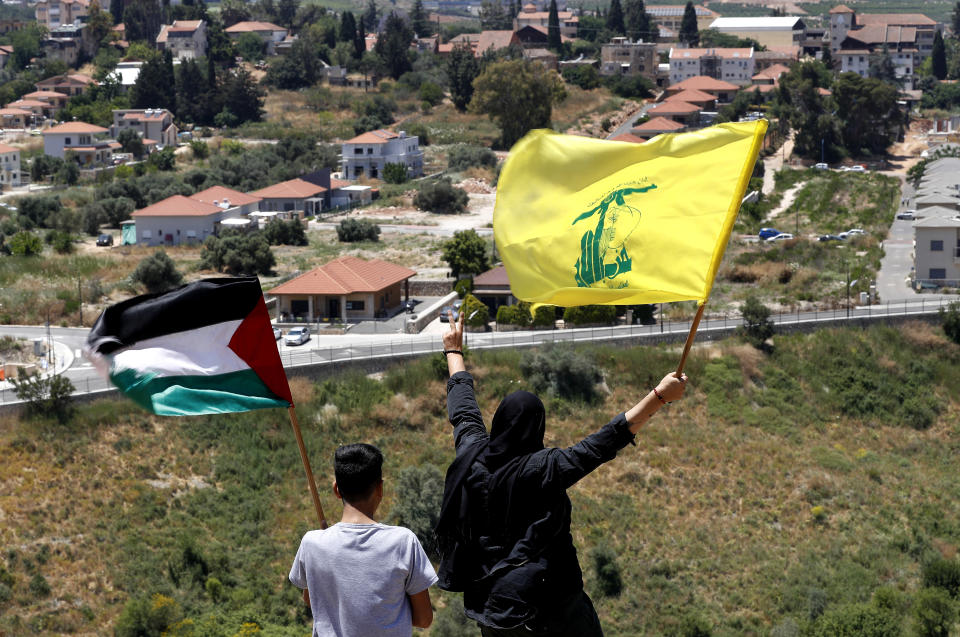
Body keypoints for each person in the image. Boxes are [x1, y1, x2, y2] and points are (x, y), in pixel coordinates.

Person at [435, 311, 688, 636]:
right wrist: (659, 396)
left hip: (496, 610)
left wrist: (453, 351)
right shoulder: (543, 469)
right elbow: (604, 441)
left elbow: (464, 409)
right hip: (555, 609)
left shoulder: (471, 455)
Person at [289, 443, 438, 637]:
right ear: (380, 488)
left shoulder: (312, 543)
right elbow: (423, 619)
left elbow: (312, 599)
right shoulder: (403, 542)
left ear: (336, 489)